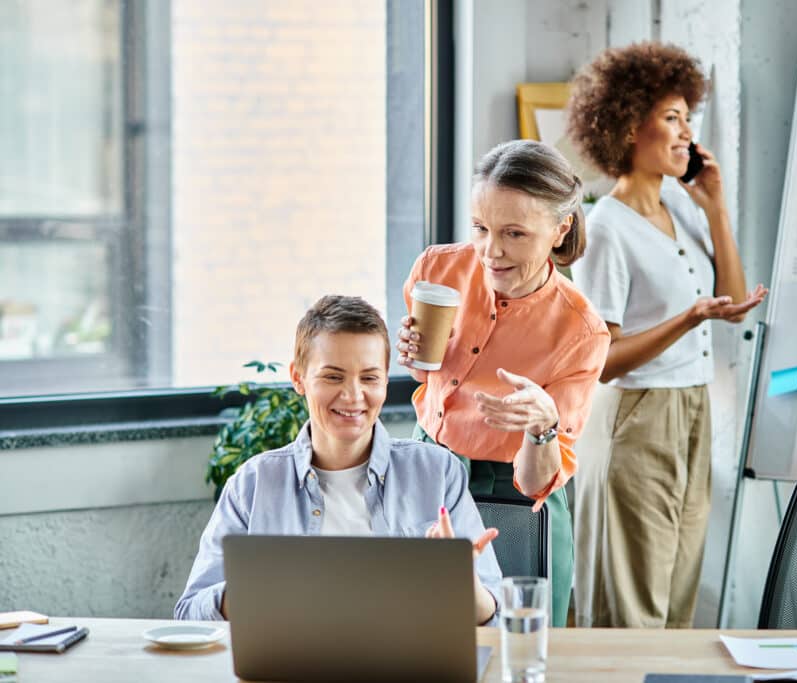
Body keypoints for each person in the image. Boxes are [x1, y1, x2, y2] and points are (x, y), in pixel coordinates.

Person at [566, 42, 767, 628]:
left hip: (694, 408)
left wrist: (717, 209)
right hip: (638, 416)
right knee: (635, 601)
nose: (685, 134)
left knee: (679, 595)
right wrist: (687, 319)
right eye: (671, 118)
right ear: (630, 126)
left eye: (689, 119)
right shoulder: (605, 227)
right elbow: (600, 361)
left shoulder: (681, 210)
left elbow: (732, 304)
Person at [175, 295, 502, 625]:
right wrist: (259, 589)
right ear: (298, 378)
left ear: (385, 382)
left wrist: (460, 581)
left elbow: (495, 615)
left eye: (369, 378)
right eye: (333, 377)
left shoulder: (438, 472)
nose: (352, 395)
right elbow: (190, 613)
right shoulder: (253, 483)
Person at [396, 140, 611, 626]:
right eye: (481, 229)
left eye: (514, 233)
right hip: (429, 475)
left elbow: (536, 482)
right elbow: (428, 380)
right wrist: (415, 355)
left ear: (560, 229)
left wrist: (541, 426)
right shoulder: (438, 269)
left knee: (520, 651)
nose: (492, 252)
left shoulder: (580, 331)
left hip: (516, 501)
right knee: (418, 640)